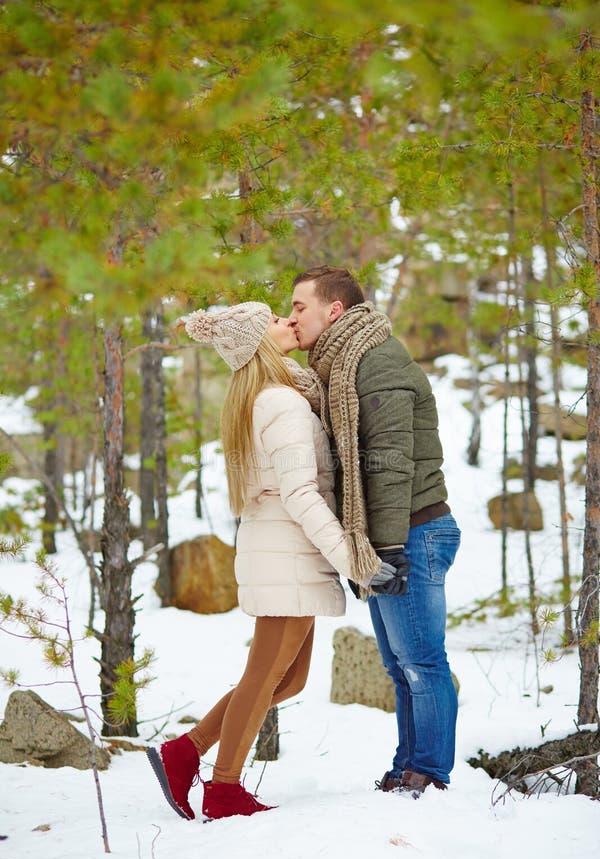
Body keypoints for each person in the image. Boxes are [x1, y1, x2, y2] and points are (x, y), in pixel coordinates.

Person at [146, 301, 392, 822]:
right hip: (287, 557)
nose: (289, 322)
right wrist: (355, 560)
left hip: (286, 554)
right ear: (261, 341)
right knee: (264, 678)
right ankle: (225, 789)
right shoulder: (280, 402)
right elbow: (303, 493)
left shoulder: (272, 397)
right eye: (277, 321)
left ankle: (186, 751)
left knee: (288, 680)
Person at [288, 266, 461, 797]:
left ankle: (428, 772)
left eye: (299, 306)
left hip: (412, 531)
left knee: (422, 661)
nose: (292, 317)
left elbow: (387, 462)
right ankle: (408, 763)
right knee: (398, 664)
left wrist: (381, 547)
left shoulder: (376, 361)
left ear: (333, 310)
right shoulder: (342, 364)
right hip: (393, 531)